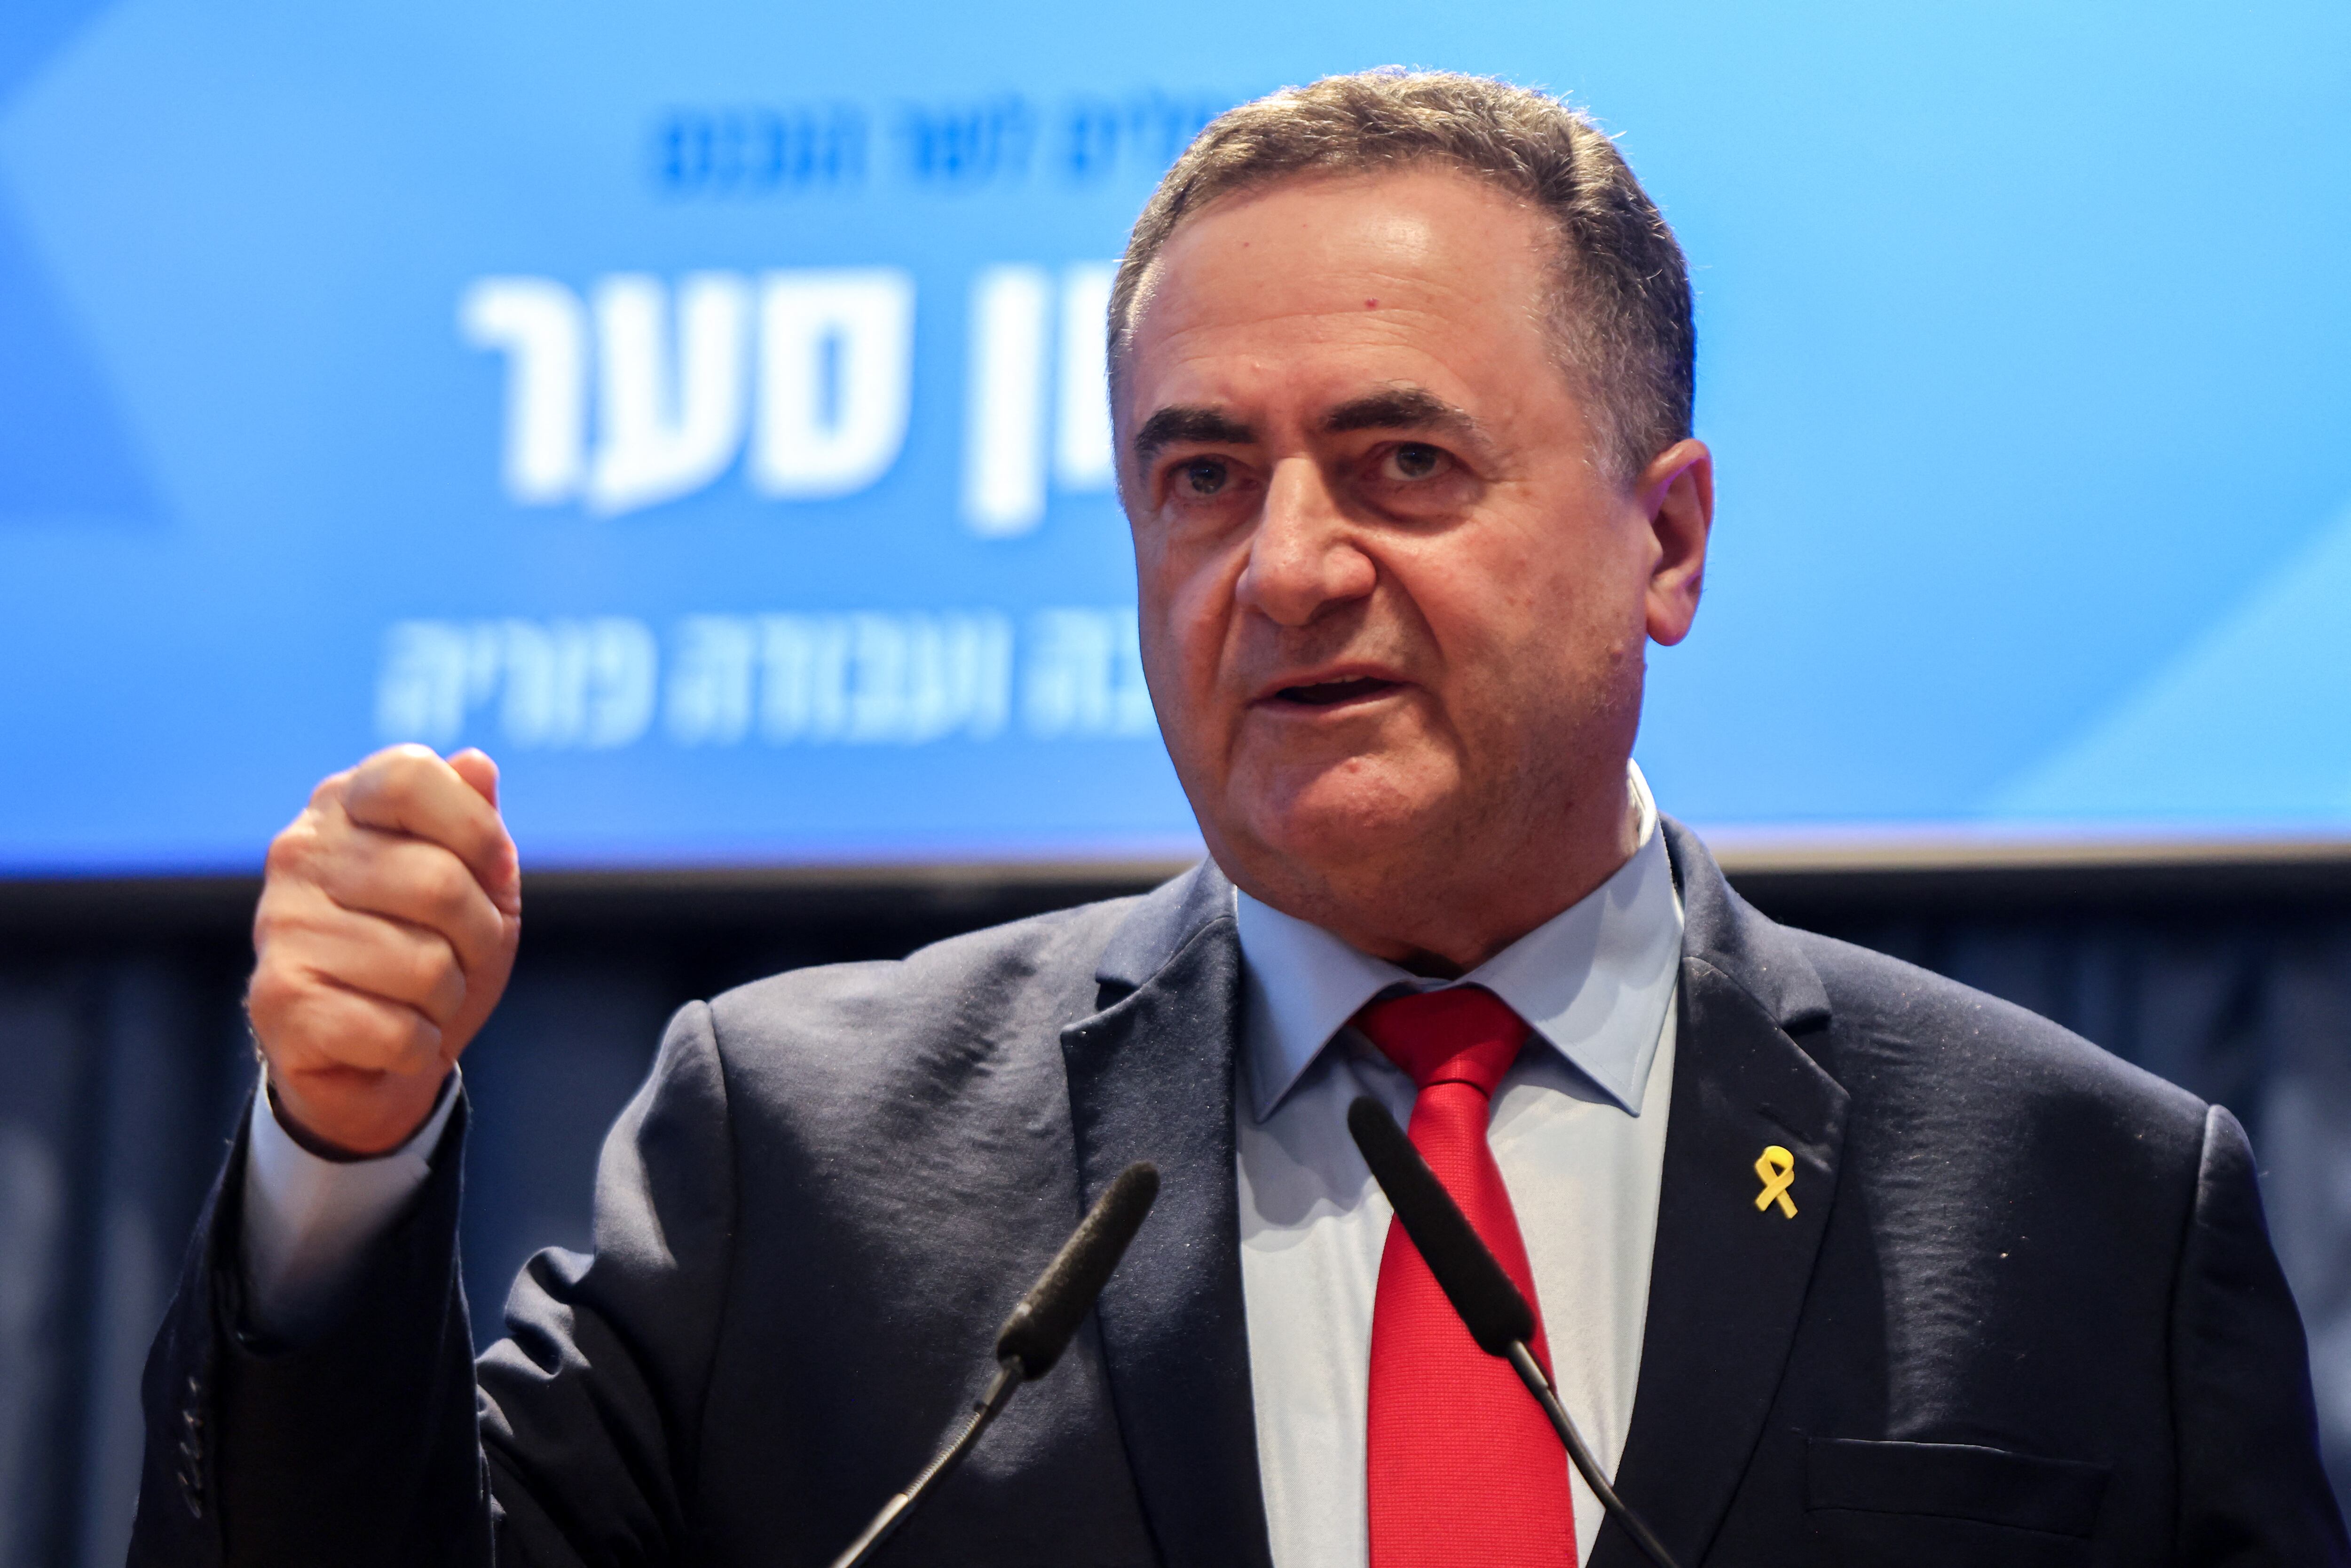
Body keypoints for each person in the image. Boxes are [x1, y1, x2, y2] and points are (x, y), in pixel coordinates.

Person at [131, 71, 2345, 1568]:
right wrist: (342, 1163)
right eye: (1199, 477)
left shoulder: (2084, 1202)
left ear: (1664, 541)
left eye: (1401, 464)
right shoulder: (800, 1155)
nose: (1281, 568)